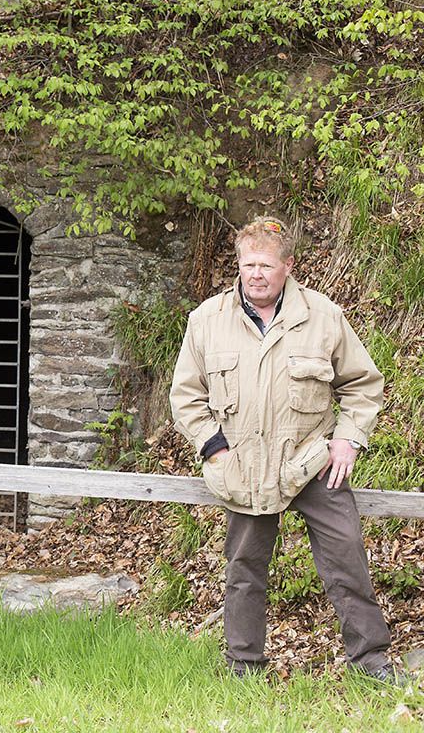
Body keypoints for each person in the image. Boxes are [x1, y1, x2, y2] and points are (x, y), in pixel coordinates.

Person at [169, 216, 405, 683]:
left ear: (288, 266)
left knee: (347, 558)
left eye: (267, 265)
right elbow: (186, 396)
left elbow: (363, 385)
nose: (256, 274)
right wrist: (214, 449)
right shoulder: (207, 321)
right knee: (244, 567)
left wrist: (347, 440)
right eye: (248, 264)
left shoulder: (324, 317)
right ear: (238, 264)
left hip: (313, 463)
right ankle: (243, 666)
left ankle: (372, 662)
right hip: (244, 467)